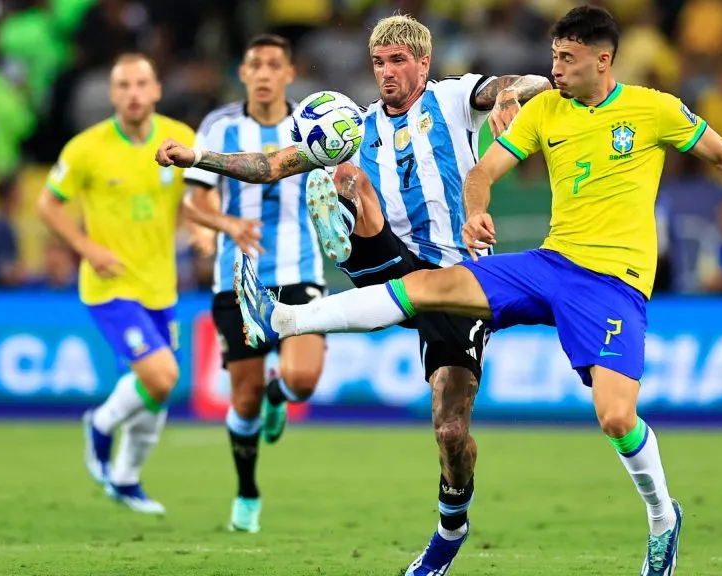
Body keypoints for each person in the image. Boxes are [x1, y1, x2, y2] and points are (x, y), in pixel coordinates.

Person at [230, 6, 722, 576]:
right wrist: (475, 215)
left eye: (567, 58)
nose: (556, 68)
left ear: (603, 59)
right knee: (422, 287)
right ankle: (283, 317)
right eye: (553, 57)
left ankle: (664, 519)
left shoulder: (654, 109)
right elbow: (482, 172)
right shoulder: (545, 111)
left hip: (613, 286)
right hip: (548, 265)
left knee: (617, 418)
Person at [156, 14, 552, 574]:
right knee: (339, 174)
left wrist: (515, 96)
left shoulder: (457, 98)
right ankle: (338, 248)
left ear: (422, 63)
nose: (387, 73)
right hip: (390, 268)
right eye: (378, 63)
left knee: (450, 429)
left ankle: (451, 527)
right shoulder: (356, 127)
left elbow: (522, 83)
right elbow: (271, 164)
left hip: (460, 283)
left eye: (397, 61)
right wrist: (199, 158)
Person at [37, 53, 229, 515]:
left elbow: (196, 199)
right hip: (110, 286)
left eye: (142, 83)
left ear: (157, 89)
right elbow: (47, 204)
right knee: (162, 376)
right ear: (112, 93)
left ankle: (125, 478)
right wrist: (87, 248)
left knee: (158, 393)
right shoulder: (86, 148)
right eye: (123, 85)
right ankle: (100, 424)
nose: (134, 93)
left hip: (161, 286)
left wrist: (203, 230)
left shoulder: (180, 138)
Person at [180, 34, 327, 534]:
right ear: (243, 73)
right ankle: (247, 490)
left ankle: (278, 396)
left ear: (289, 74)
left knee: (303, 380)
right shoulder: (219, 127)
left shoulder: (309, 125)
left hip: (301, 273)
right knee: (240, 399)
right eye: (255, 64)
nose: (264, 73)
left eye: (273, 65)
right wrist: (225, 226)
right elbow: (193, 202)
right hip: (236, 281)